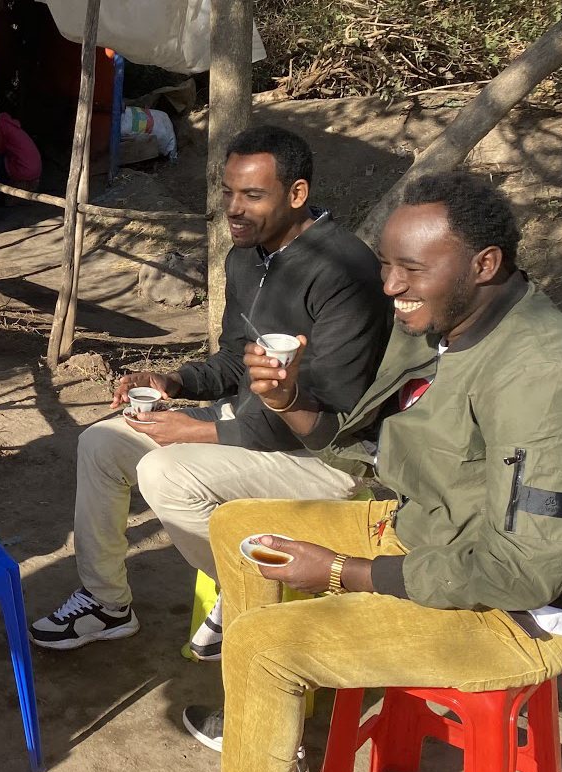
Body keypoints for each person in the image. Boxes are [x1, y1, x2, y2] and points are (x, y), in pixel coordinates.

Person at [160, 172, 562, 772]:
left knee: (261, 648)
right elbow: (370, 453)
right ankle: (276, 737)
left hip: (519, 614)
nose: (389, 284)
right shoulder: (444, 330)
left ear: (484, 263)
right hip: (429, 526)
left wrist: (346, 571)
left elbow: (523, 569)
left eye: (411, 268)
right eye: (385, 263)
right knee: (238, 525)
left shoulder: (548, 379)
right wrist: (289, 403)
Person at [30, 125, 391, 655]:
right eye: (227, 192)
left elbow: (329, 412)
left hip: (324, 458)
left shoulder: (344, 272)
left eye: (252, 195)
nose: (234, 209)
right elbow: (230, 359)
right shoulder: (248, 256)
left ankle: (248, 586)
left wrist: (200, 430)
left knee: (164, 470)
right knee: (102, 443)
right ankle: (107, 603)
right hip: (248, 429)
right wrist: (170, 381)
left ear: (297, 194)